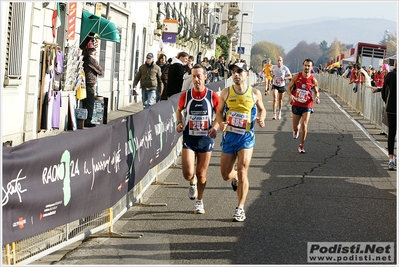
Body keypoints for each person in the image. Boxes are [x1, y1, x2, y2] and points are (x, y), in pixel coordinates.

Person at [216, 62, 266, 222]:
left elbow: (262, 109)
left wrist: (262, 119)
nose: (235, 74)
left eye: (239, 71)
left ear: (246, 74)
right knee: (225, 175)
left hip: (246, 137)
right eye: (233, 72)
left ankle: (240, 208)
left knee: (243, 170)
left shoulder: (255, 93)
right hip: (230, 137)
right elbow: (218, 112)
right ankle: (234, 178)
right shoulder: (226, 92)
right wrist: (221, 122)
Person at [175, 64, 220, 214]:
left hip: (206, 139)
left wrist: (215, 127)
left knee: (202, 174)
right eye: (193, 76)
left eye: (199, 76)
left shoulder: (212, 96)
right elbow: (179, 110)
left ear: (205, 77)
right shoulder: (186, 96)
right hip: (190, 138)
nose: (196, 79)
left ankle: (199, 201)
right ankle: (192, 182)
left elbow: (220, 115)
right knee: (188, 173)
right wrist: (179, 122)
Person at [286, 58, 320, 154]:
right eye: (305, 65)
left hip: (307, 104)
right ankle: (296, 130)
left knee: (304, 125)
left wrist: (317, 97)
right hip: (296, 104)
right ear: (303, 66)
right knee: (295, 127)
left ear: (312, 67)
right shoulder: (296, 76)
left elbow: (317, 92)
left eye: (309, 66)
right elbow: (289, 88)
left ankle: (301, 145)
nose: (307, 67)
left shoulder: (313, 80)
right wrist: (291, 95)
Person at [372, 60, 396, 170]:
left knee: (392, 133)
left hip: (392, 108)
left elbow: (384, 91)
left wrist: (387, 101)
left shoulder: (390, 75)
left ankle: (391, 159)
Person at [83, 47, 103, 128]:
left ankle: (85, 119)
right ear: (94, 54)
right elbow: (101, 71)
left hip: (86, 82)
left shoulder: (86, 59)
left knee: (86, 102)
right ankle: (88, 120)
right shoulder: (91, 60)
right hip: (90, 83)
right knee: (90, 102)